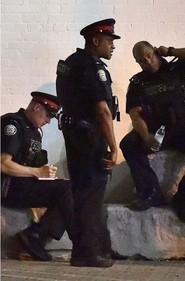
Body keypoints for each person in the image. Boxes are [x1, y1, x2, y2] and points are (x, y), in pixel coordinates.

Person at [120, 41, 185, 223]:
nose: (147, 61)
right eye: (141, 60)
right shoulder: (138, 82)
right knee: (129, 144)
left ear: (156, 52)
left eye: (149, 55)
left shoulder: (177, 68)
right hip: (159, 132)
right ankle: (150, 192)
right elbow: (135, 114)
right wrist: (146, 136)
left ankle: (183, 198)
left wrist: (172, 51)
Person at [56, 18, 120, 267]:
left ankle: (89, 250)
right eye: (109, 40)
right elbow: (103, 111)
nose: (113, 45)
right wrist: (114, 148)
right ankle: (87, 253)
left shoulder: (70, 63)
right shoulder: (94, 67)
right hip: (89, 136)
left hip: (74, 134)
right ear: (96, 40)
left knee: (82, 192)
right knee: (90, 196)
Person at [1, 91, 76, 262]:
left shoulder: (34, 131)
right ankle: (74, 242)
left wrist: (45, 173)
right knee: (66, 189)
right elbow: (3, 163)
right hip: (7, 187)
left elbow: (32, 166)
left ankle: (35, 235)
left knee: (69, 189)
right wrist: (36, 172)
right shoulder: (13, 125)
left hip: (22, 185)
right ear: (36, 107)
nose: (49, 121)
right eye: (48, 115)